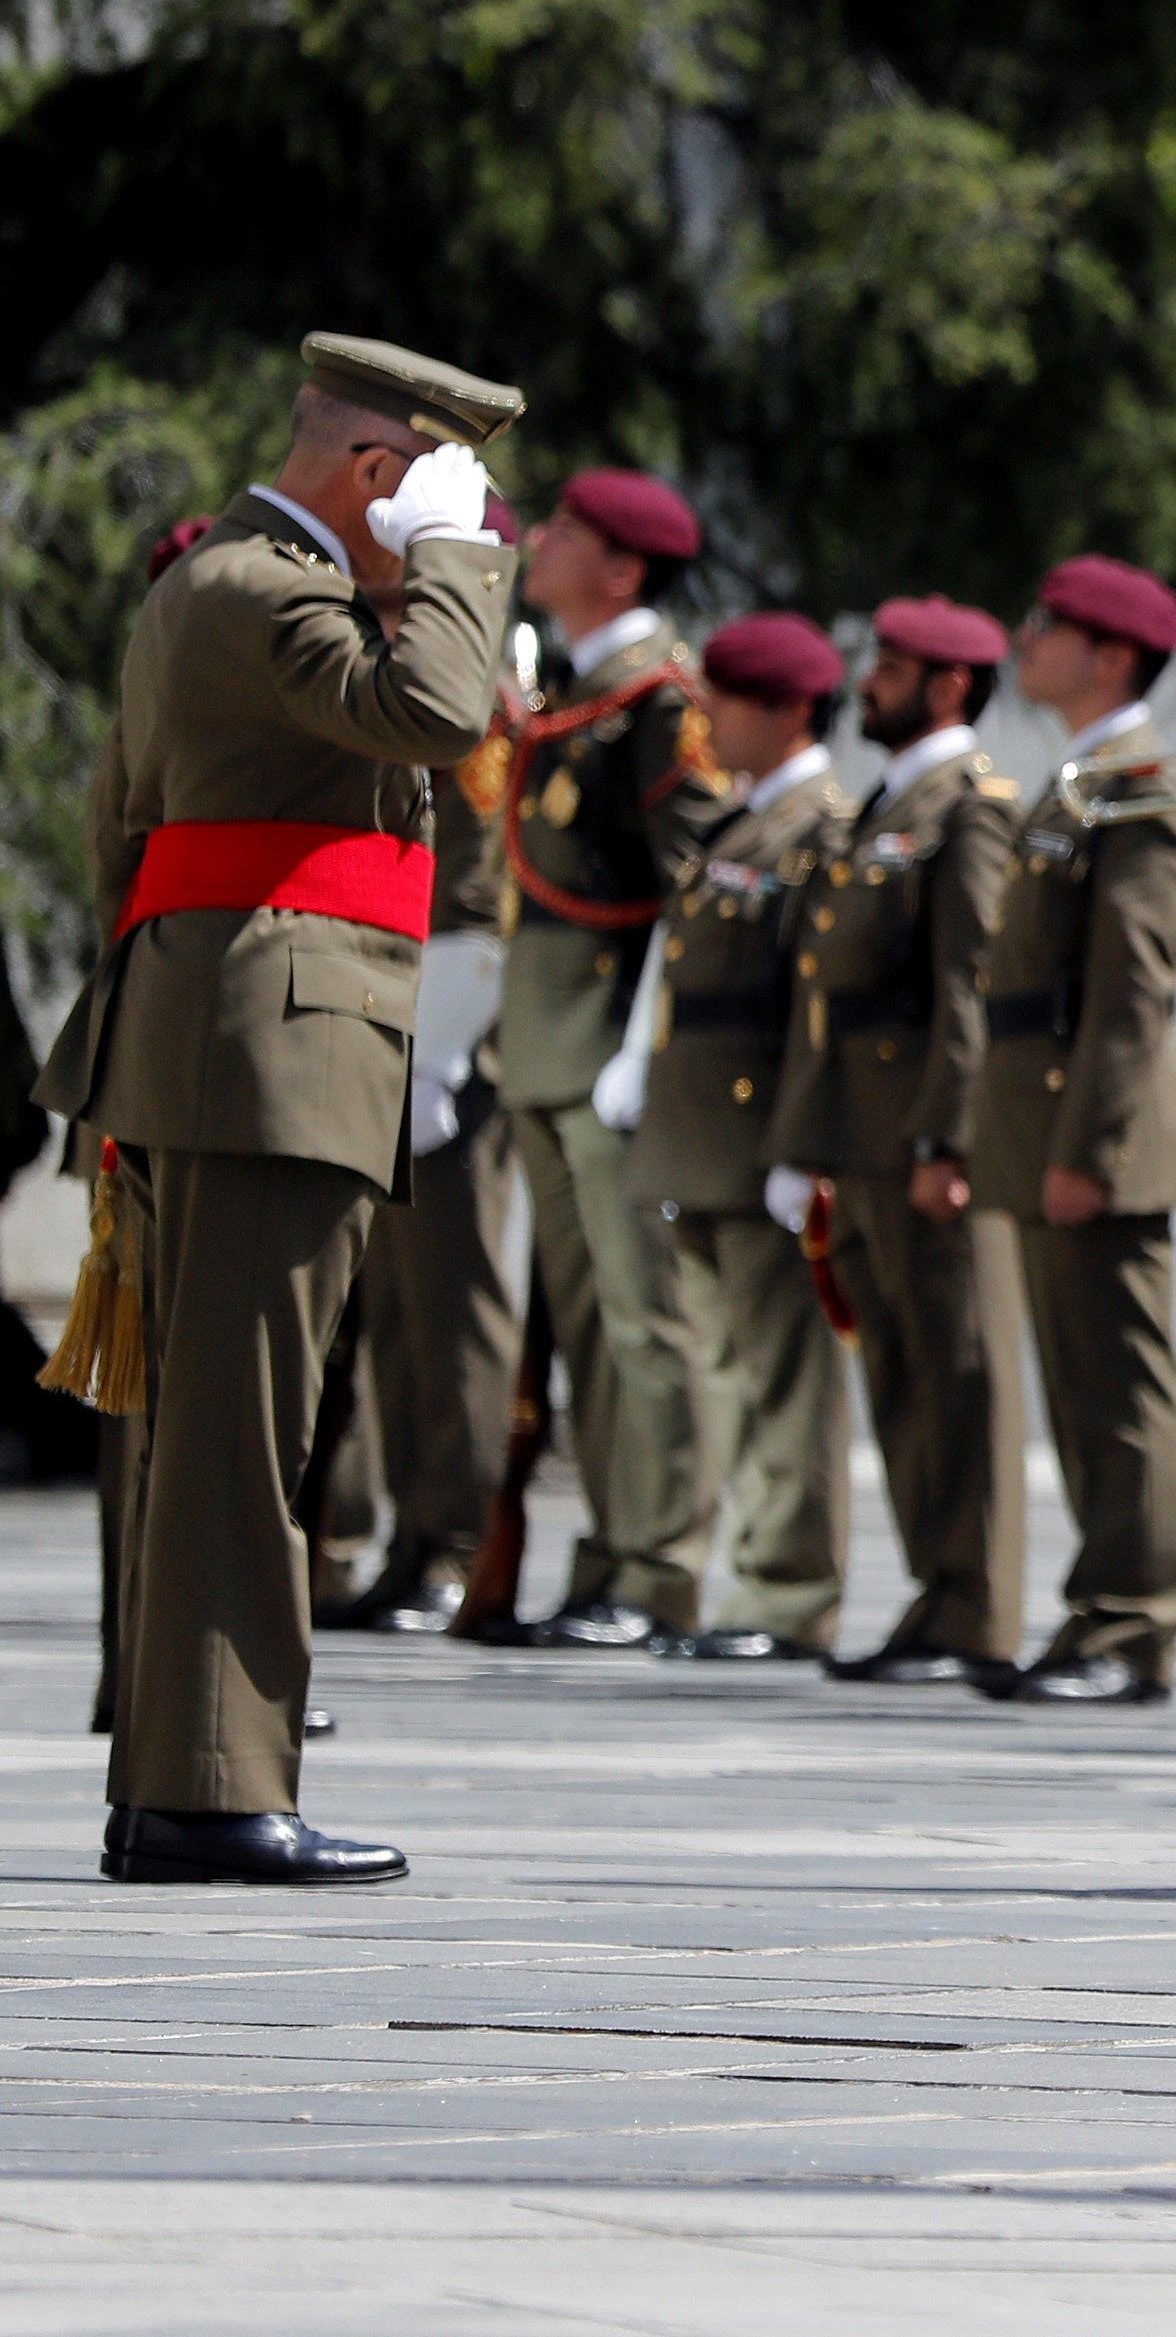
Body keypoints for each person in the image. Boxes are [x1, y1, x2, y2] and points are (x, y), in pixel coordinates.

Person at [42, 333, 515, 1884]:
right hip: (272, 1045)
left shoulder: (219, 584)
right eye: (444, 490)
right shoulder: (270, 589)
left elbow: (120, 822)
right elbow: (444, 712)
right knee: (246, 1435)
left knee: (211, 1431)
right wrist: (450, 563)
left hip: (221, 1033)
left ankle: (178, 1776)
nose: (469, 529)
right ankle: (208, 1790)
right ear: (378, 476)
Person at [972, 554, 1176, 1704]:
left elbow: (1130, 989)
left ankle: (1134, 1621)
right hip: (1045, 1122)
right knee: (1078, 1386)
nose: (1028, 638)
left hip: (1095, 1132)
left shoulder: (1142, 785)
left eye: (1048, 624)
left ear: (1112, 653)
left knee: (1120, 1387)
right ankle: (1097, 1609)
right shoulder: (1079, 778)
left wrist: (1086, 1144)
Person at [504, 468, 733, 1650]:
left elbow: (692, 888)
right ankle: (609, 1551)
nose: (537, 543)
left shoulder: (656, 701)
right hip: (541, 1040)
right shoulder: (574, 688)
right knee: (587, 1323)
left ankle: (664, 1567)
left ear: (625, 568)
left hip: (605, 1040)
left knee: (646, 1320)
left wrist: (646, 1048)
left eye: (567, 534)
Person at [779, 596, 1028, 1688]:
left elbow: (968, 982)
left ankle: (974, 1606)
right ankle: (935, 1591)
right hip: (865, 1133)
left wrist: (950, 1134)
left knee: (958, 1374)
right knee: (902, 1374)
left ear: (950, 685)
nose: (866, 680)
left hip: (921, 1133)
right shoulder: (892, 799)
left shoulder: (967, 806)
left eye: (892, 665)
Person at [617, 611, 857, 1665]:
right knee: (729, 1364)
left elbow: (820, 1004)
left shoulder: (821, 824)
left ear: (793, 709)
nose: (708, 717)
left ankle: (789, 1588)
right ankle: (754, 1579)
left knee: (782, 1376)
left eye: (734, 699)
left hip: (762, 1137)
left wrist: (802, 1149)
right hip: (704, 1138)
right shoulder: (737, 820)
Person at [336, 495, 526, 1637]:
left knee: (451, 1302)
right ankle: (416, 1536)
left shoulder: (471, 684)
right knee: (398, 1304)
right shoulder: (398, 658)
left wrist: (440, 1048)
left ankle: (454, 1537)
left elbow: (472, 882)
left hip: (446, 1025)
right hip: (388, 1009)